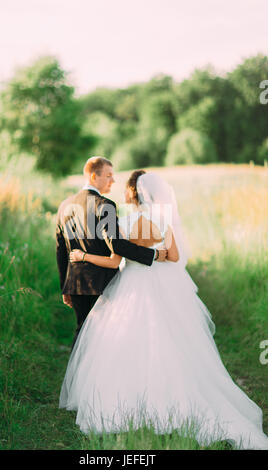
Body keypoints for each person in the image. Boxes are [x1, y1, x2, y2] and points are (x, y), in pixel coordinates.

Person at [58, 170, 268, 450]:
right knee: (171, 338)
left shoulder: (126, 221)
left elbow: (116, 257)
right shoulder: (163, 220)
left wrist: (84, 256)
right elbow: (175, 257)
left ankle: (125, 401)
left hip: (130, 284)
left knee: (123, 340)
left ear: (132, 193)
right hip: (161, 283)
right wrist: (160, 255)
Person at [55, 157, 168, 349]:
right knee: (103, 338)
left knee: (82, 333)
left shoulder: (64, 206)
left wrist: (65, 286)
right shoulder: (104, 204)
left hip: (76, 283)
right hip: (102, 283)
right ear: (93, 176)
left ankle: (78, 378)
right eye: (108, 176)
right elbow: (117, 246)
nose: (112, 181)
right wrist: (153, 255)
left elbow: (61, 250)